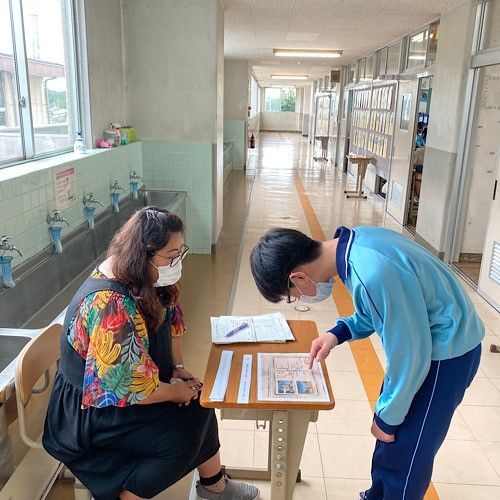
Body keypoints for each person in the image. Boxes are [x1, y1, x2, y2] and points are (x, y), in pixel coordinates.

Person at [250, 226, 484, 500]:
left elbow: (410, 355)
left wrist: (387, 418)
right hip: (427, 345)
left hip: (446, 354)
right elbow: (379, 309)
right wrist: (338, 333)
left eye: (293, 295)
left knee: (406, 451)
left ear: (298, 277)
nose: (300, 298)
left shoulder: (372, 273)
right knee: (389, 440)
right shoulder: (355, 245)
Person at [43, 206, 259, 500]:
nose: (177, 262)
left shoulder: (148, 277)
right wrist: (175, 392)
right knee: (183, 438)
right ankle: (126, 496)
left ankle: (215, 487)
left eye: (180, 253)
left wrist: (177, 368)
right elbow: (129, 386)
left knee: (200, 402)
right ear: (143, 253)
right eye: (171, 256)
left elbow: (172, 322)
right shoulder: (110, 306)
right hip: (94, 410)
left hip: (133, 389)